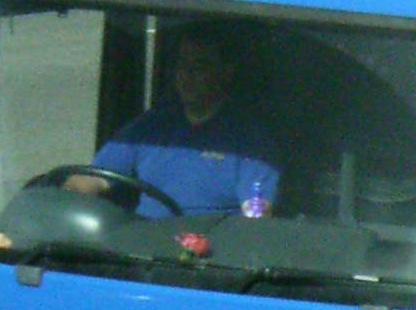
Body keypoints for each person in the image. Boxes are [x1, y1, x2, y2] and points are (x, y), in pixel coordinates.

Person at [69, 28, 279, 218]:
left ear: (225, 73)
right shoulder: (150, 127)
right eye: (181, 65)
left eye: (199, 67)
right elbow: (94, 178)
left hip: (206, 253)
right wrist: (69, 193)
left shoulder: (249, 141)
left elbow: (256, 214)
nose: (186, 75)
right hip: (140, 247)